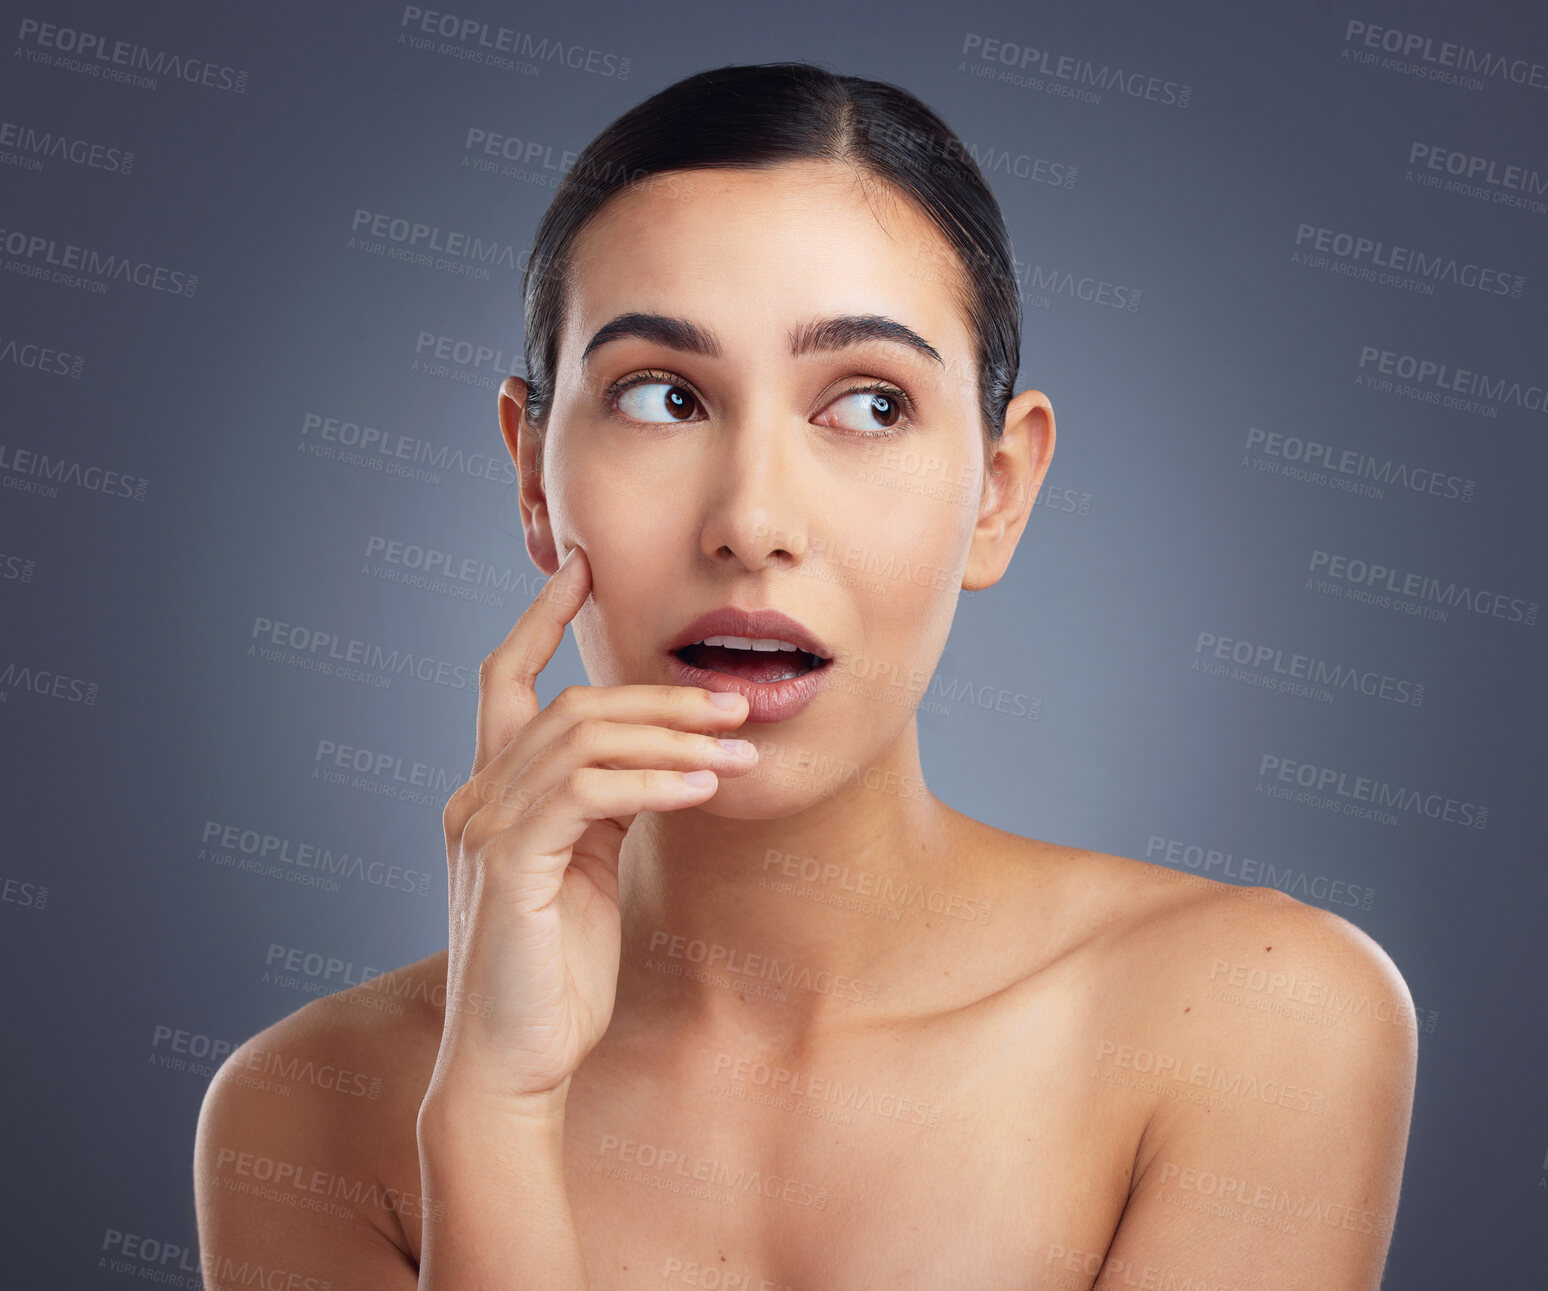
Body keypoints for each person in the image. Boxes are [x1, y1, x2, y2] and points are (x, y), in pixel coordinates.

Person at [194, 62, 1416, 1289]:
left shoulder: (1262, 1020)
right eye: (663, 398)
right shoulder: (306, 1116)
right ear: (531, 478)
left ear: (998, 494)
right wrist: (496, 1111)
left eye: (871, 405)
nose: (753, 518)